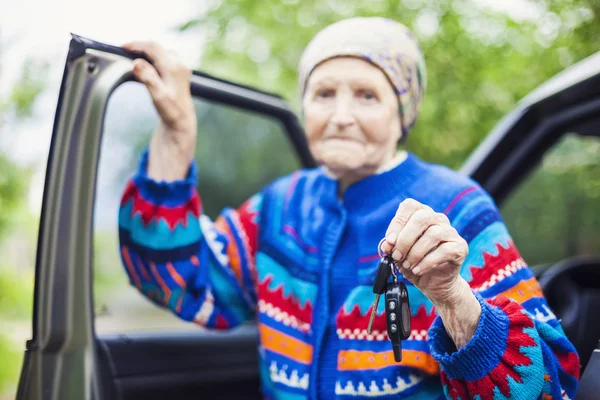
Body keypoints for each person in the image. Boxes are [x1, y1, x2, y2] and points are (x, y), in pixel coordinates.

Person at [118, 17, 580, 399]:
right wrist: (177, 134)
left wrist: (453, 297)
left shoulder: (456, 206)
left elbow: (548, 387)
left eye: (367, 95)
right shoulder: (280, 207)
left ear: (402, 117)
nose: (341, 116)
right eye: (323, 94)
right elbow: (174, 278)